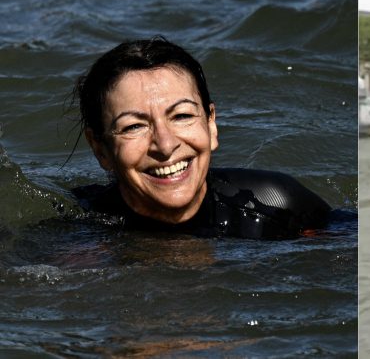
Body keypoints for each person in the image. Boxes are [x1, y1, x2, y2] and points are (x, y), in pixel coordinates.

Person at [72, 37, 331, 239]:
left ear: (211, 124)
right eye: (134, 126)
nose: (165, 144)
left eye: (182, 116)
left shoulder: (277, 206)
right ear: (100, 149)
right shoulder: (79, 235)